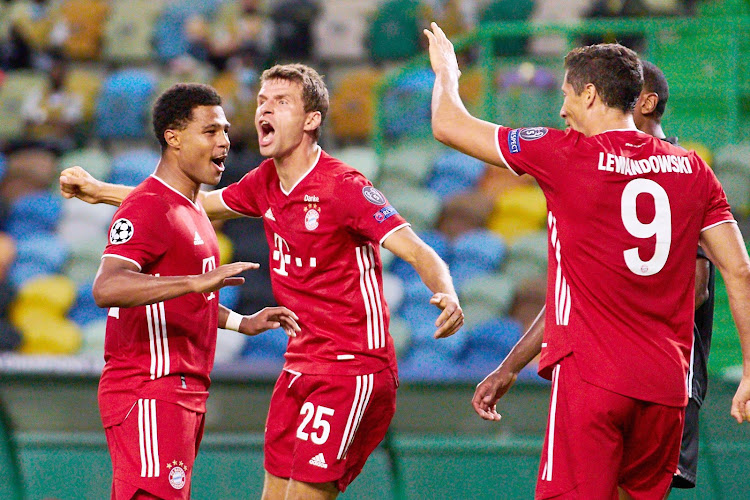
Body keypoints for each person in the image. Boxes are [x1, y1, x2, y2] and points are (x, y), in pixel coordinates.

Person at [60, 64, 464, 500]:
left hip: (351, 366)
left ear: (311, 120)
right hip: (297, 366)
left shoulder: (343, 187)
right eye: (261, 102)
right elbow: (188, 201)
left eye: (281, 102)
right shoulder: (264, 183)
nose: (264, 111)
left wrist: (446, 291)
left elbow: (418, 250)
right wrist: (101, 191)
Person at [424, 22, 750, 499]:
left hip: (593, 381)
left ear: (592, 94)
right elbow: (738, 268)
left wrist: (448, 73)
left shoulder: (565, 153)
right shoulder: (693, 167)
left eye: (567, 95)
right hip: (665, 389)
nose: (561, 108)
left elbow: (447, 125)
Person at [472, 60, 716, 494]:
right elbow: (577, 291)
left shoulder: (671, 173)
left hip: (631, 372)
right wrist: (510, 366)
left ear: (643, 102)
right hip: (657, 375)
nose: (566, 111)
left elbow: (697, 286)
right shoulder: (683, 170)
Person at [65, 83, 300, 500]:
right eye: (210, 132)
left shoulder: (194, 210)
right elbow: (108, 286)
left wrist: (241, 322)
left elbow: (180, 296)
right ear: (173, 138)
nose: (225, 141)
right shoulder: (148, 206)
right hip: (148, 388)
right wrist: (195, 282)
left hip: (183, 392)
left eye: (225, 131)